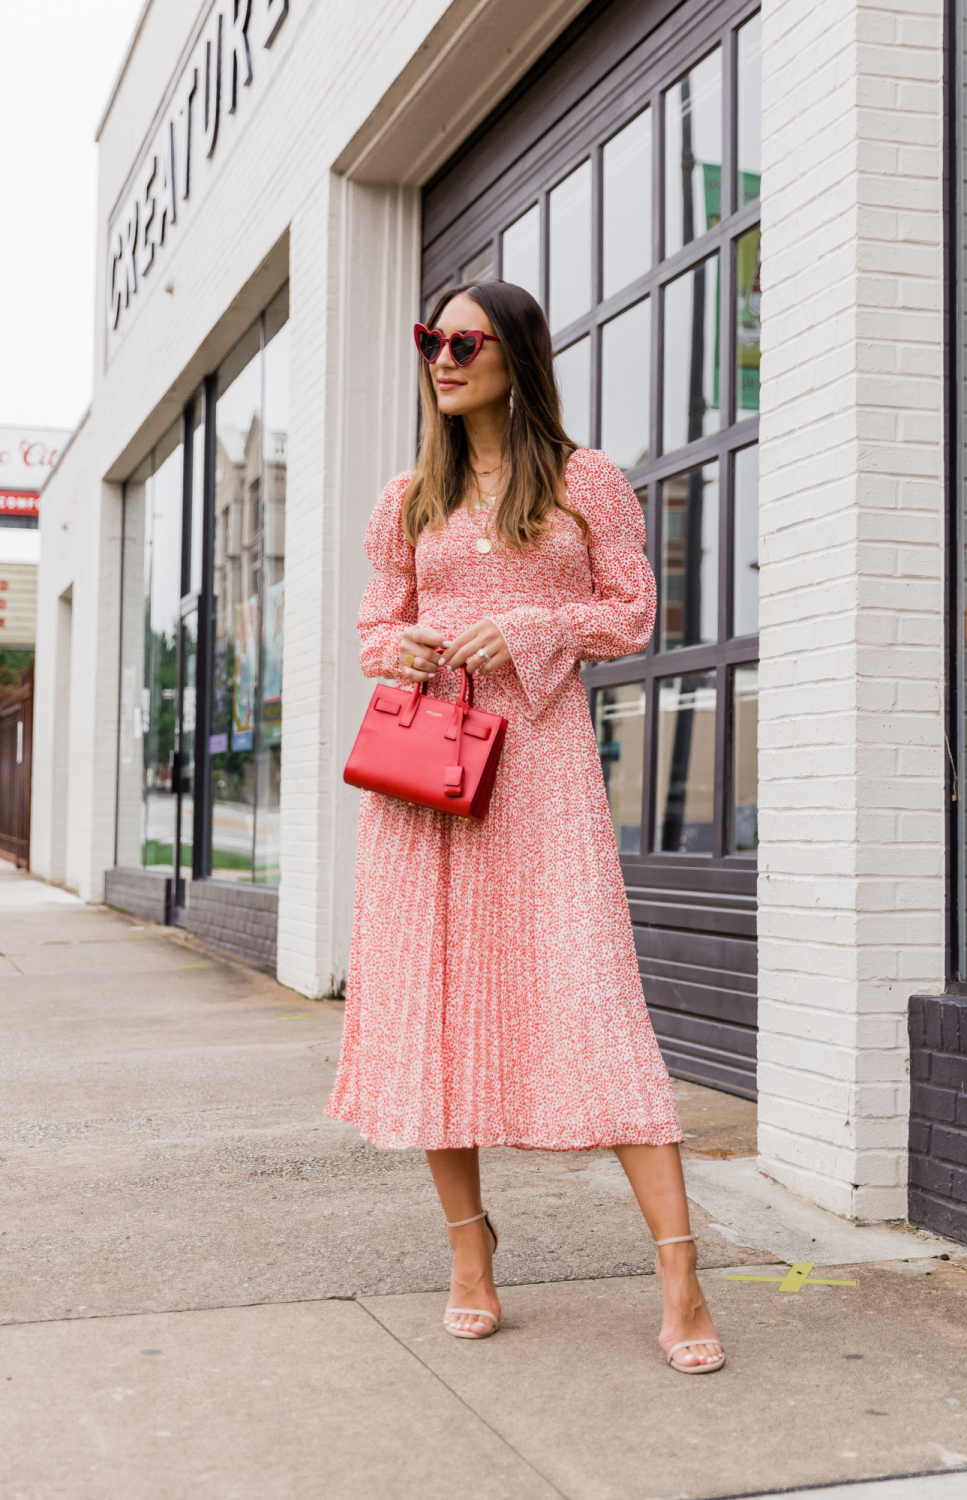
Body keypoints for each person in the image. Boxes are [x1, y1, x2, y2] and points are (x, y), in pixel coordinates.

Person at [327, 280, 724, 1372]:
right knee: (436, 1010)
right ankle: (468, 1254)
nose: (442, 359)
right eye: (431, 340)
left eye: (466, 342)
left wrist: (537, 624)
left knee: (593, 999)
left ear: (517, 358)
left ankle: (680, 1271)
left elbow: (632, 611)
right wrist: (398, 648)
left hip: (540, 770)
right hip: (426, 779)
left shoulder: (584, 479)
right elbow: (374, 623)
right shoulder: (406, 495)